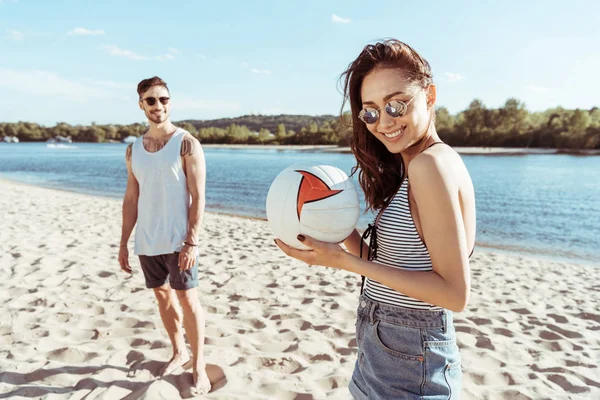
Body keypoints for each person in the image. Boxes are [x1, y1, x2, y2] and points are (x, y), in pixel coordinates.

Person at [275, 39, 476, 399]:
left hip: (411, 357)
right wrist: (338, 228)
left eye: (396, 104)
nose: (384, 122)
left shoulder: (430, 165)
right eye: (370, 112)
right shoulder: (421, 163)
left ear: (430, 95)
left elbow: (453, 293)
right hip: (386, 347)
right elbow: (400, 266)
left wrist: (344, 262)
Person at [118, 76, 211, 394]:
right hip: (147, 240)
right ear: (141, 104)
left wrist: (191, 241)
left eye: (164, 99)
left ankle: (198, 367)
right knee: (162, 296)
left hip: (178, 240)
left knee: (188, 299)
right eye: (151, 100)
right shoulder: (133, 151)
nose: (159, 105)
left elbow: (198, 197)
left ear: (170, 102)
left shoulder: (186, 143)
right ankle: (178, 352)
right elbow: (131, 199)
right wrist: (123, 243)